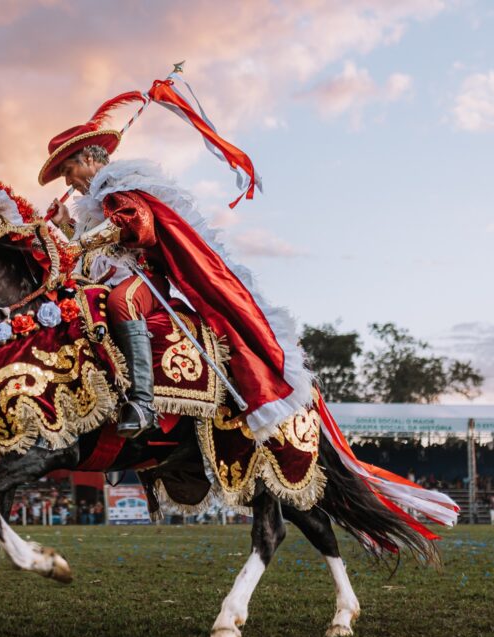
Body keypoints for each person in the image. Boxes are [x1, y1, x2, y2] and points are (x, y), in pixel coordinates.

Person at [39, 95, 312, 442]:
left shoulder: (119, 184)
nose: (67, 183)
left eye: (68, 171)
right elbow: (94, 250)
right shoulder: (96, 200)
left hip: (140, 279)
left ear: (90, 158)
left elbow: (137, 223)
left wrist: (79, 241)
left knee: (122, 303)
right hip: (105, 277)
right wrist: (65, 227)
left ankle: (142, 403)